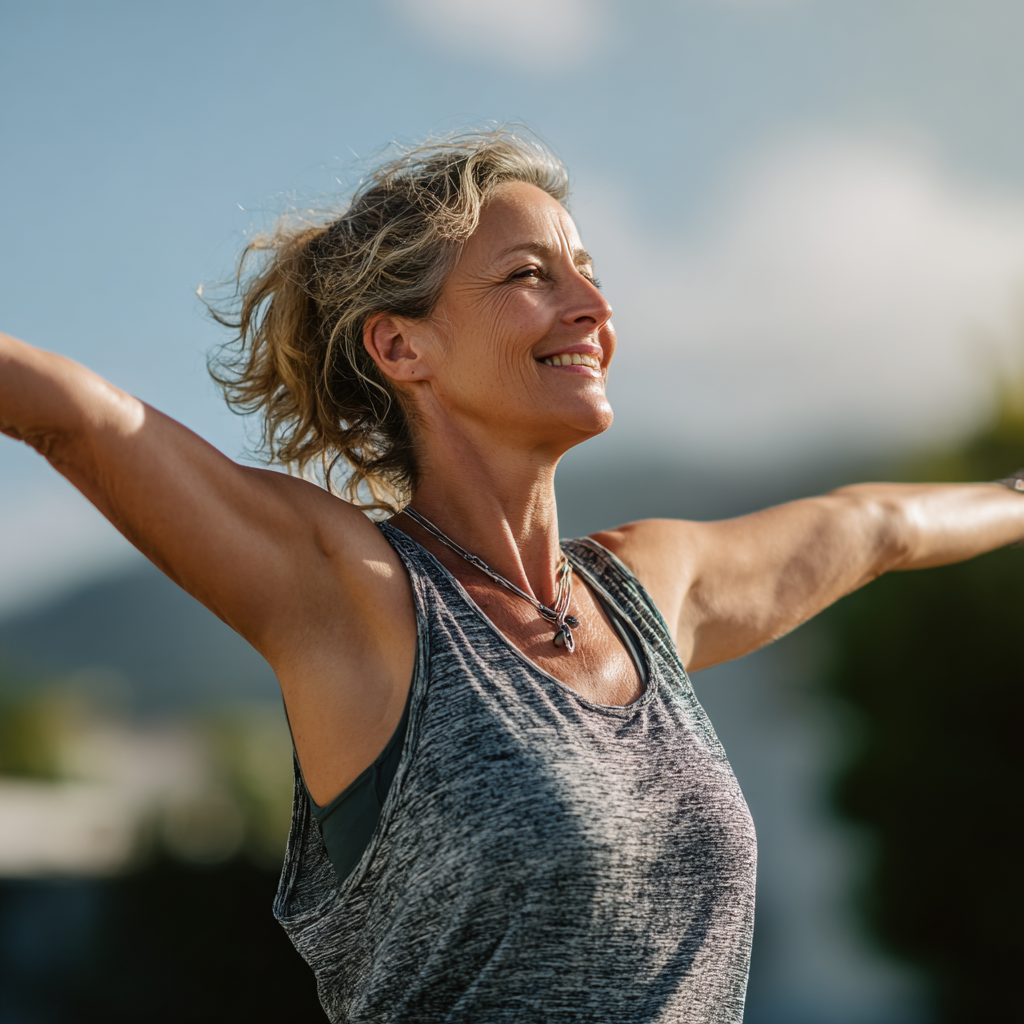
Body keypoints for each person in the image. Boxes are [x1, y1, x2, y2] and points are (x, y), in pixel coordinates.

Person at [2, 129, 1022, 1024]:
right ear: (401, 346)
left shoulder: (644, 592)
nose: (592, 305)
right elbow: (72, 414)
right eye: (532, 275)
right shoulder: (359, 597)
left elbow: (876, 525)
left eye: (586, 269)